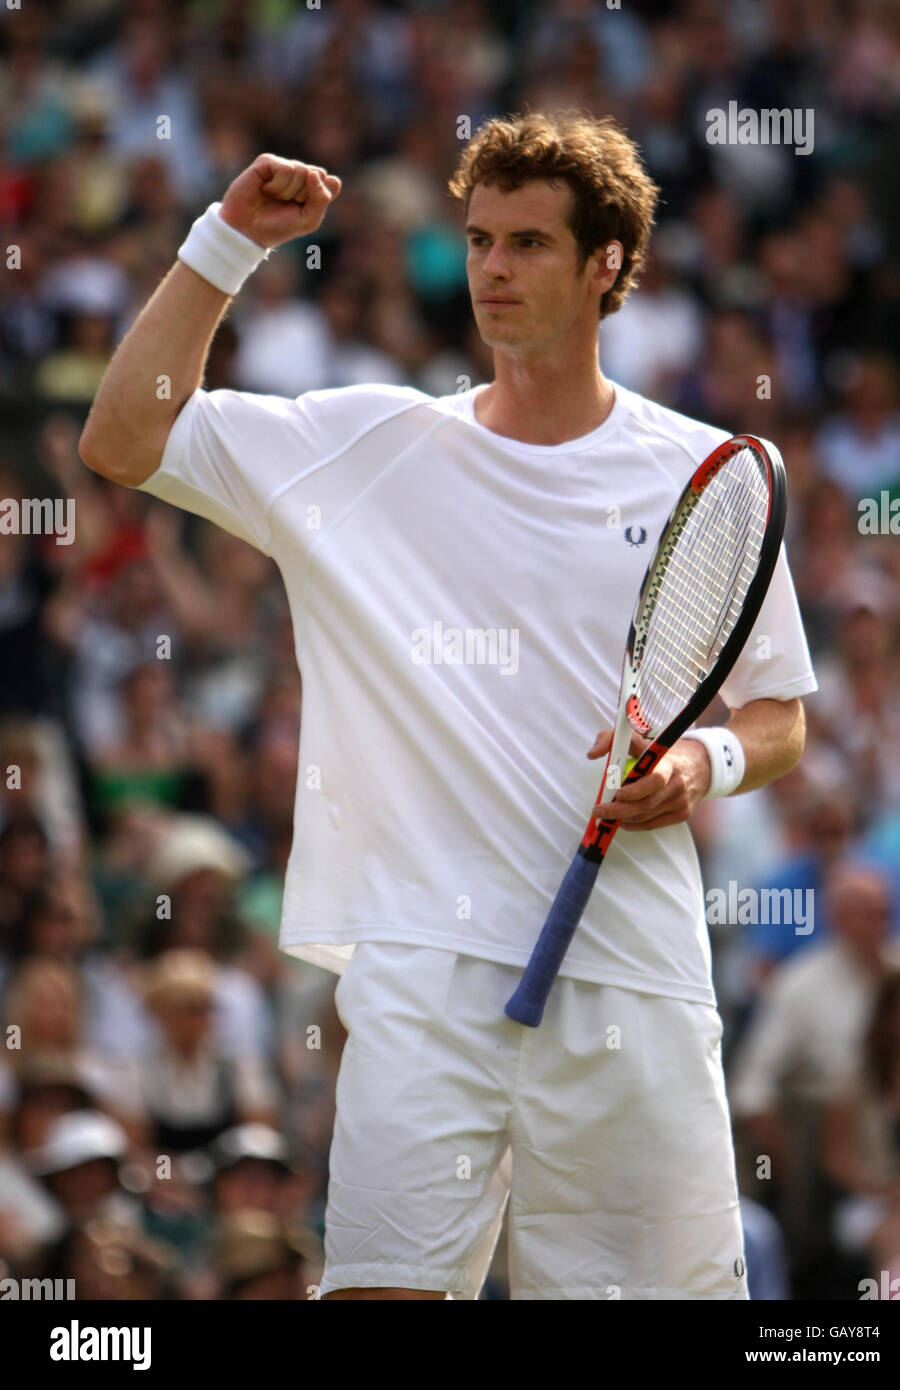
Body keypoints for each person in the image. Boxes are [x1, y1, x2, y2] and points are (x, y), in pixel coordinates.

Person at [79, 110, 817, 1300]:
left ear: (606, 265)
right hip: (423, 972)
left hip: (634, 981)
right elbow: (121, 436)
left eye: (529, 243)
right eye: (479, 240)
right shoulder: (364, 442)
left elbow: (780, 714)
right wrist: (225, 242)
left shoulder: (701, 470)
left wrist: (702, 766)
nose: (493, 269)